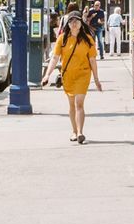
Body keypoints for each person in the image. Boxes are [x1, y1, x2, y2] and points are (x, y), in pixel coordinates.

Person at [43, 13, 101, 143]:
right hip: (68, 74)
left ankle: (80, 132)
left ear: (81, 23)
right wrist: (47, 75)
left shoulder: (87, 39)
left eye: (76, 21)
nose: (74, 23)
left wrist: (96, 79)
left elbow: (92, 60)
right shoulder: (62, 39)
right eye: (71, 21)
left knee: (79, 103)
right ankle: (74, 131)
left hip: (83, 74)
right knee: (72, 105)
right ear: (67, 24)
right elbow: (54, 58)